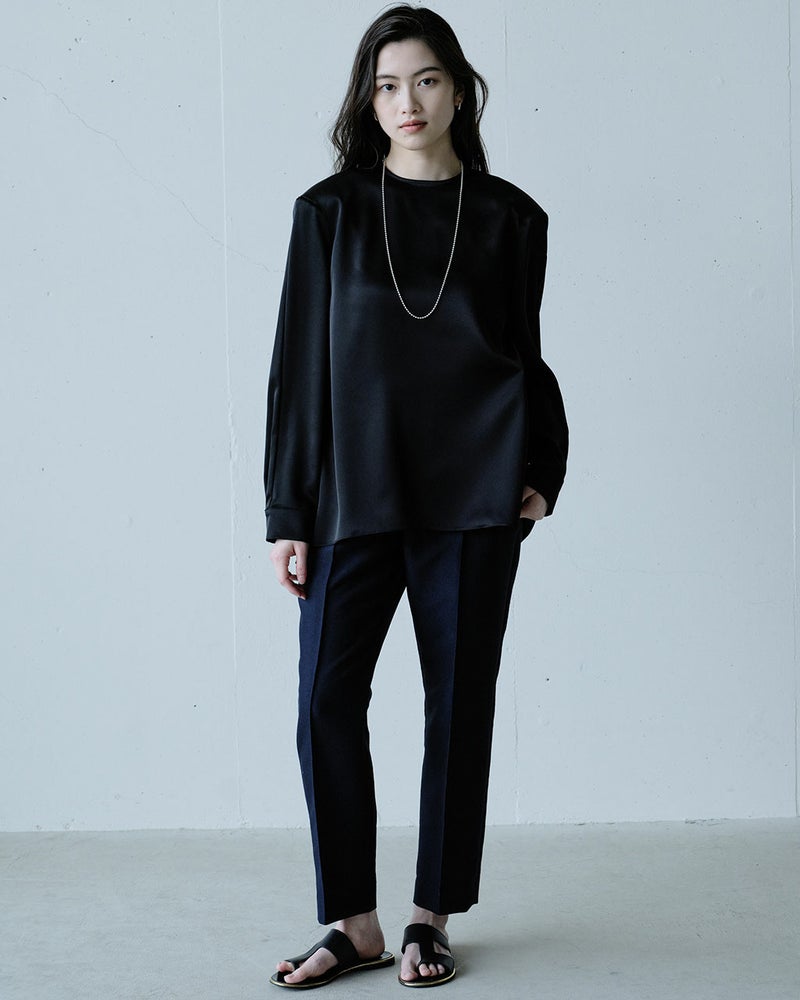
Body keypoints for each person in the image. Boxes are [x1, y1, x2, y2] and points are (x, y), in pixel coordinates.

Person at [263, 4, 568, 989]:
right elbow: (298, 371)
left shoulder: (511, 218)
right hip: (352, 497)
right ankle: (353, 923)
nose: (407, 102)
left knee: (458, 706)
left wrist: (544, 471)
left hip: (476, 496)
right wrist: (287, 513)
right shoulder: (328, 213)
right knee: (324, 701)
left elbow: (524, 355)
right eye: (387, 84)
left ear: (459, 91)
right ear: (367, 99)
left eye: (426, 80)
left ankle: (429, 917)